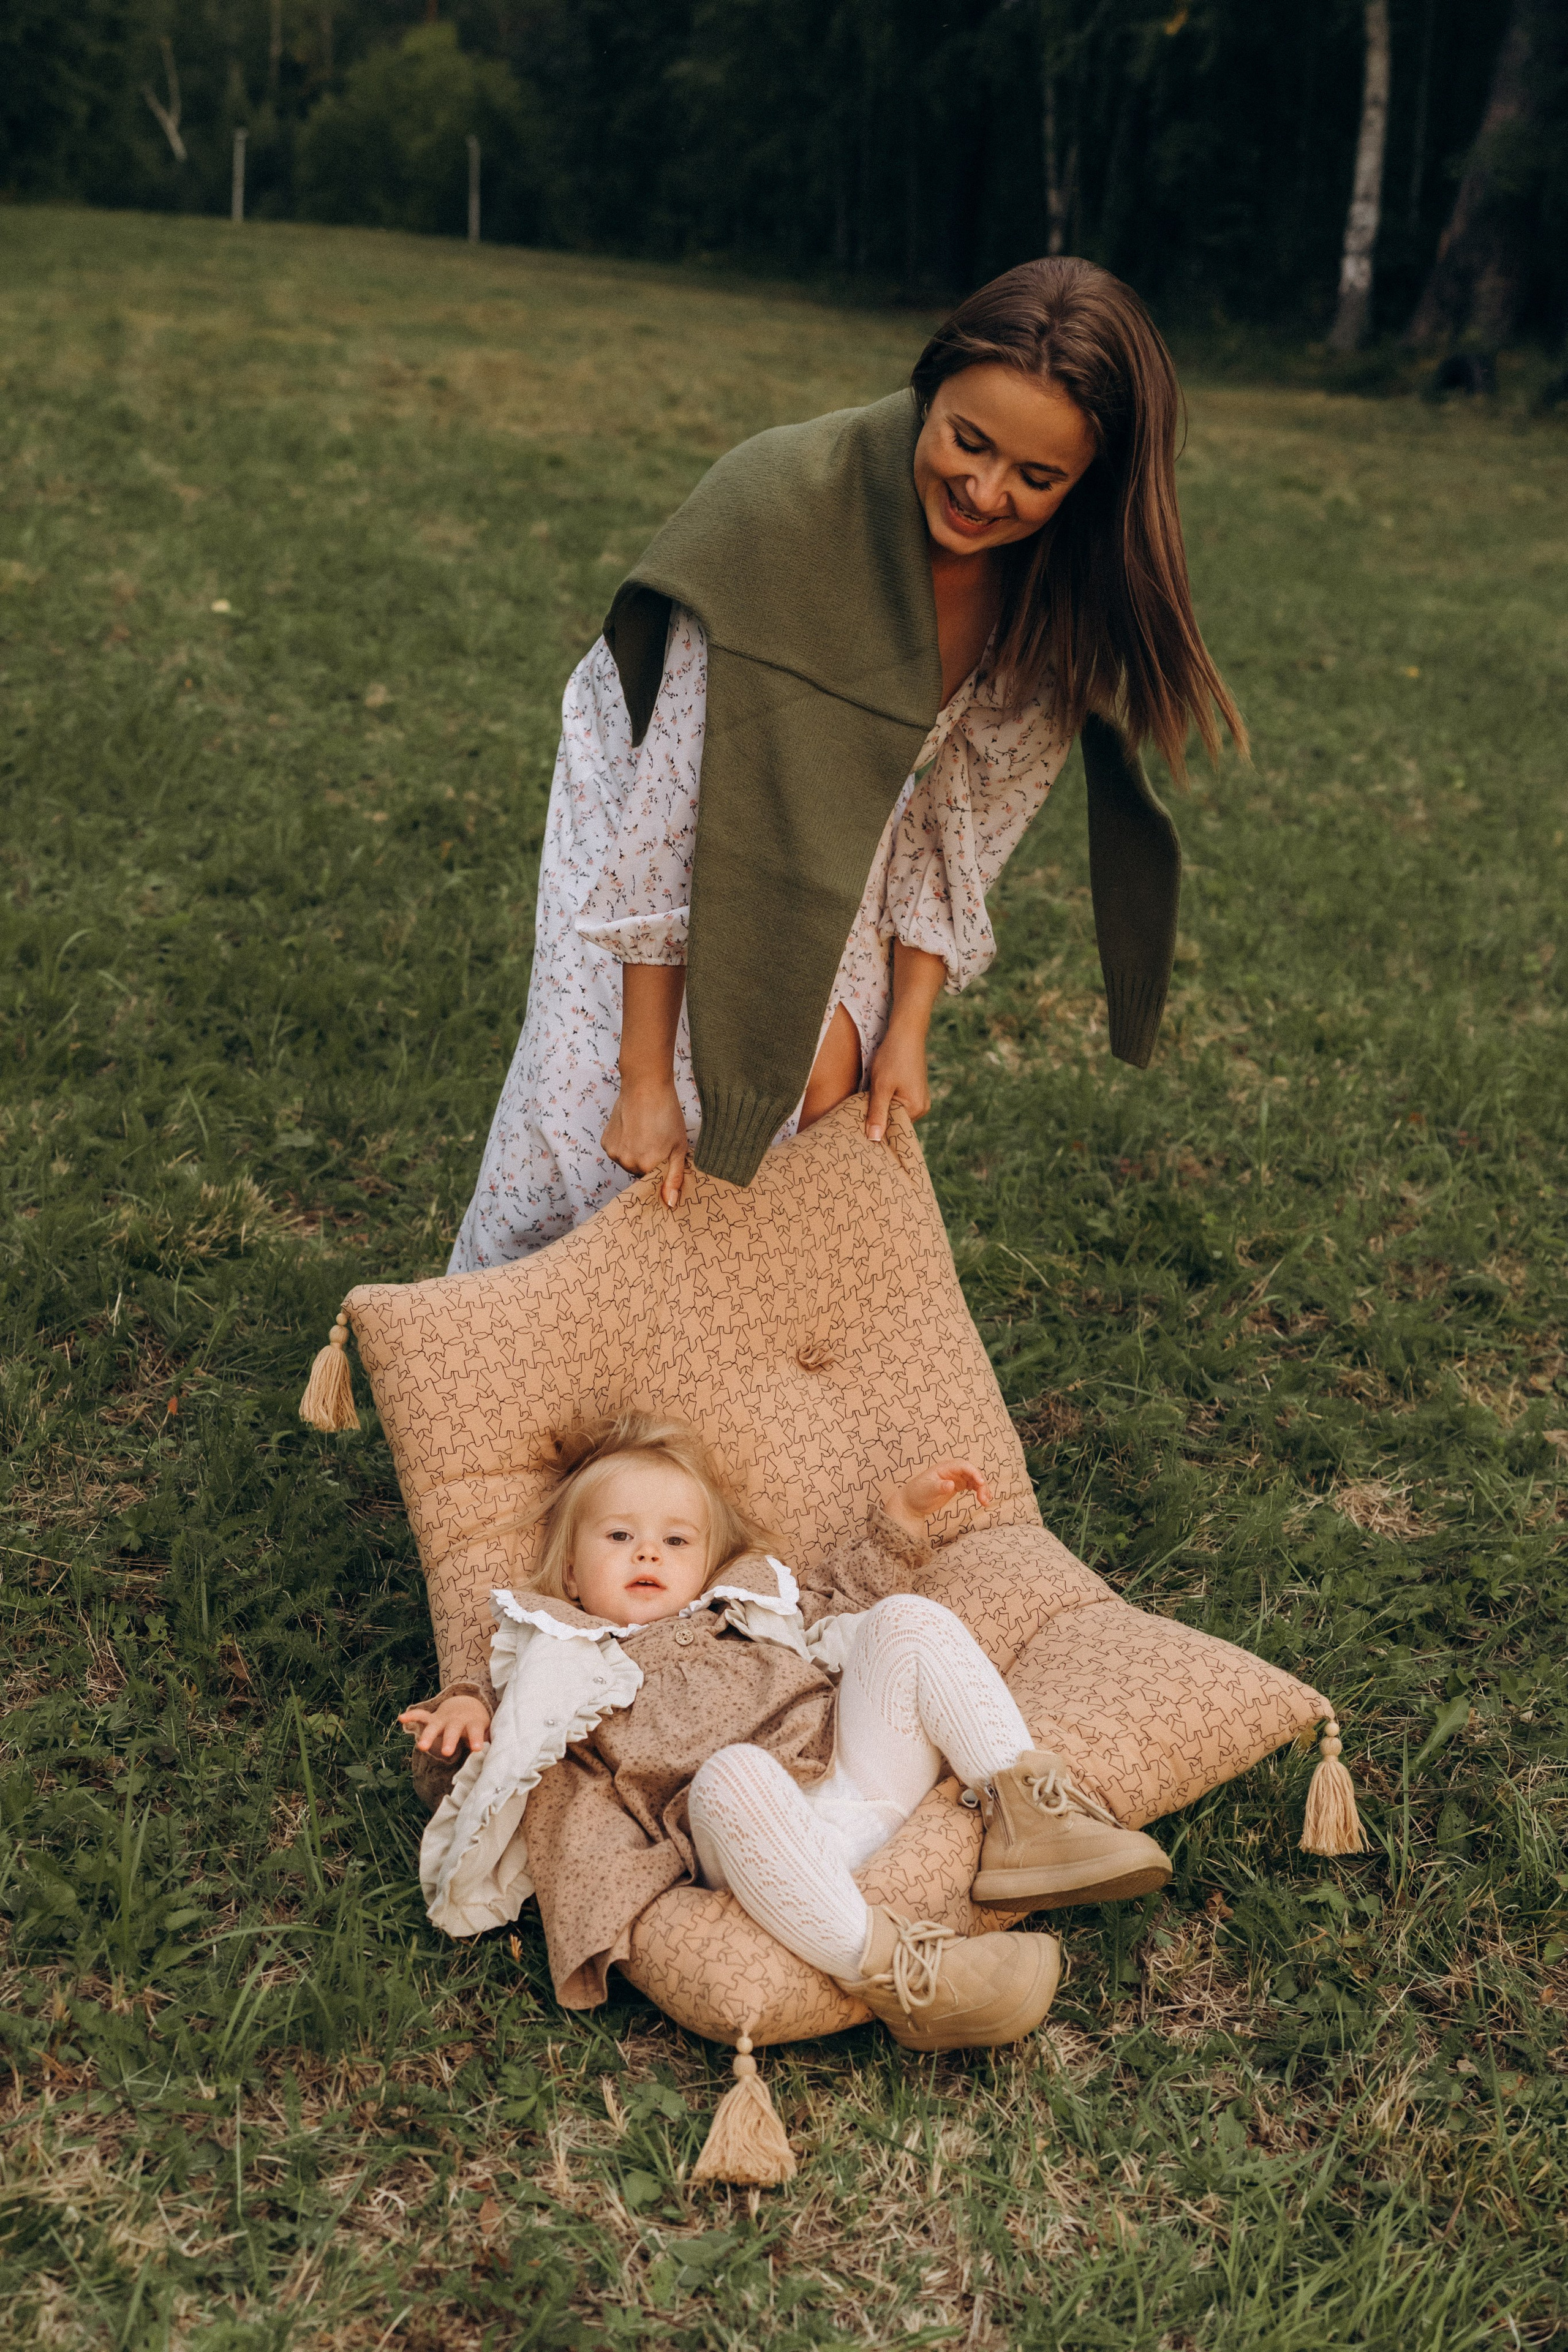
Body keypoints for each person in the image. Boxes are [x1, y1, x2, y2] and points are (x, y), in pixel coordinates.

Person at [448, 255, 1243, 1272]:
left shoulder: (1051, 599)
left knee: (817, 1078)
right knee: (588, 1114)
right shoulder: (777, 512)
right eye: (967, 439)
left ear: (1088, 484)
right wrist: (642, 1074)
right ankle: (492, 1346)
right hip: (655, 771)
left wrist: (907, 1025)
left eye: (1038, 478)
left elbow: (961, 817)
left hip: (840, 778)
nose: (985, 490)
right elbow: (672, 815)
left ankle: (696, 1370)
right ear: (929, 386)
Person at [402, 1414, 1170, 2052]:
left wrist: (900, 1520)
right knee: (735, 1772)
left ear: (704, 1566)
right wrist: (467, 1708)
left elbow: (842, 1607)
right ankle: (907, 1975)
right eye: (618, 1537)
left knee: (906, 1622)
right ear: (569, 1577)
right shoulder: (559, 1664)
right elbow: (499, 1779)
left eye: (675, 1542)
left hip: (856, 1776)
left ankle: (1030, 1810)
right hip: (749, 1836)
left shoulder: (743, 1616)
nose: (647, 1552)